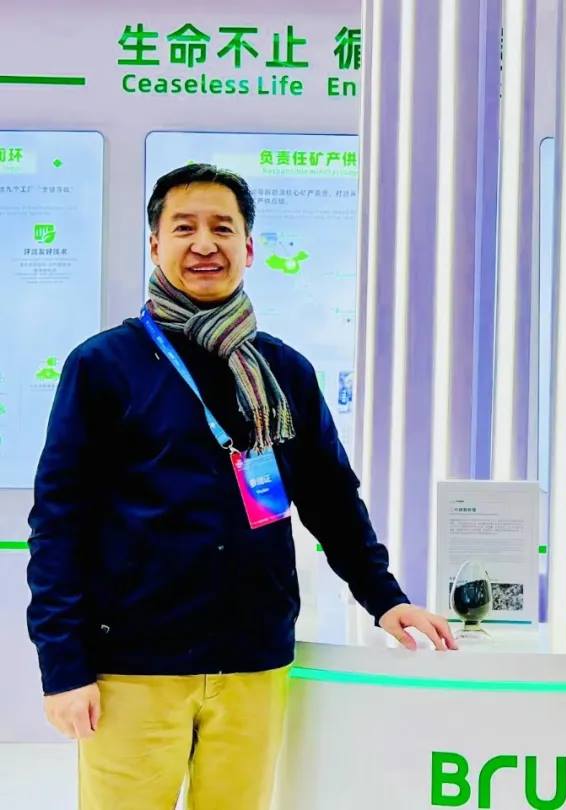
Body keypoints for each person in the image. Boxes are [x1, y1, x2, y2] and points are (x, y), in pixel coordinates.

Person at [26, 164, 456, 810]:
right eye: (184, 228)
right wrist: (63, 666)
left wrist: (384, 598)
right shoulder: (103, 366)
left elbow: (331, 498)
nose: (205, 244)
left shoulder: (283, 371)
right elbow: (59, 523)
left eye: (222, 228)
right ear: (155, 245)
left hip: (253, 660)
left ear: (249, 248)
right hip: (135, 665)